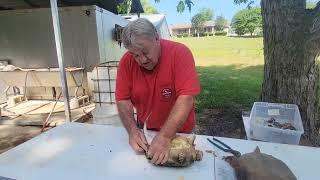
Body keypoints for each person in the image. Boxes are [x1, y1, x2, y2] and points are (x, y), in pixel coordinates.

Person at [115, 18, 200, 165]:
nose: (142, 60)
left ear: (156, 37)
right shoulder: (126, 62)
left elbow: (186, 98)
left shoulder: (180, 53)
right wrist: (132, 131)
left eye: (145, 52)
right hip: (147, 132)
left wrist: (165, 137)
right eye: (135, 55)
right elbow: (123, 99)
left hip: (181, 133)